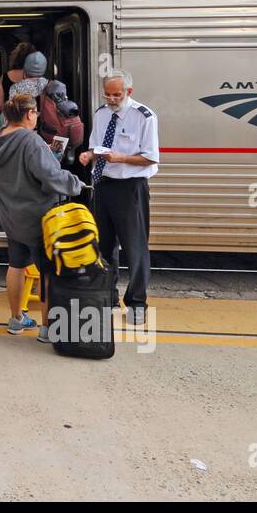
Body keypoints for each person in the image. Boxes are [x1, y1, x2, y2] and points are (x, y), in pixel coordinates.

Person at [0, 93, 85, 334]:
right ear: (29, 113)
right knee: (47, 272)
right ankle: (47, 328)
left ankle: (16, 319)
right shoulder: (31, 141)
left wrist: (45, 152)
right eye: (36, 113)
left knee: (16, 265)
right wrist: (76, 184)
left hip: (10, 214)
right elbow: (51, 177)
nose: (37, 117)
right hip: (38, 217)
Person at [78, 69, 159, 325]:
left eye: (117, 95)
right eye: (108, 94)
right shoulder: (101, 114)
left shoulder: (144, 117)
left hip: (130, 187)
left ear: (128, 92)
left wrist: (121, 158)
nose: (111, 99)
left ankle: (137, 302)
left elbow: (151, 156)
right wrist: (88, 155)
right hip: (103, 185)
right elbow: (95, 145)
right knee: (103, 246)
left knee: (135, 248)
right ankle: (107, 296)